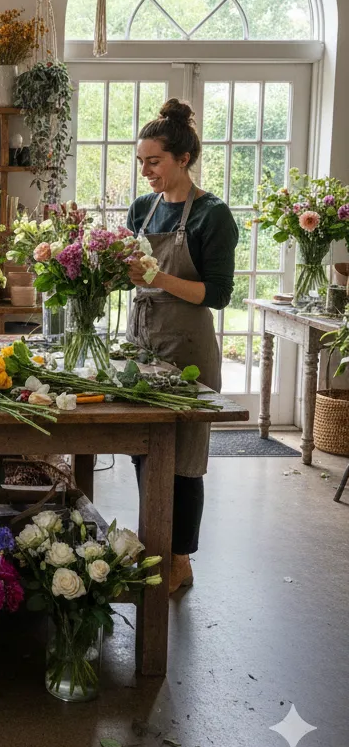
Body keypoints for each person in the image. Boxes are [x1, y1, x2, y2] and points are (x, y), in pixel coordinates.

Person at [125, 99, 238, 594]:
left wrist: (157, 278)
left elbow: (217, 294)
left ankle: (179, 559)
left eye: (154, 161)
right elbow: (130, 272)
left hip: (187, 345)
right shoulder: (141, 209)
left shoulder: (213, 216)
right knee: (144, 450)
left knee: (185, 460)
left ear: (183, 158)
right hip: (142, 339)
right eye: (142, 162)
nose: (146, 171)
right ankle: (154, 544)